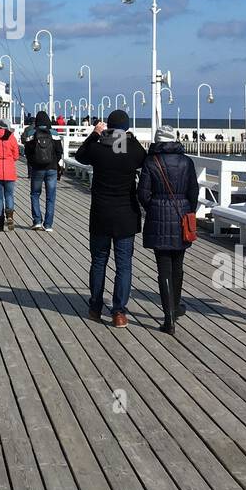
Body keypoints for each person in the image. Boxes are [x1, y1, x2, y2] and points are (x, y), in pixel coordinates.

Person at [74, 109, 145, 327]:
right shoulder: (132, 148)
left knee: (99, 262)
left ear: (108, 125)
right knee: (124, 265)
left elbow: (80, 156)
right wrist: (128, 138)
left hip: (101, 214)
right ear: (127, 128)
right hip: (126, 214)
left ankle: (95, 308)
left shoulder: (98, 147)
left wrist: (95, 134)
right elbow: (144, 160)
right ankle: (119, 313)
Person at [137, 126, 199, 335]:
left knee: (163, 267)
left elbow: (143, 193)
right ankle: (176, 305)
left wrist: (153, 207)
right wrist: (188, 209)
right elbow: (194, 191)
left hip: (158, 217)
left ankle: (169, 317)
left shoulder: (150, 161)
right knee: (178, 265)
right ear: (175, 139)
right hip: (182, 216)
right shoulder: (186, 162)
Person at [23, 109, 62, 232]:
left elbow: (27, 152)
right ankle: (48, 225)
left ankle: (37, 221)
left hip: (37, 169)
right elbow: (59, 151)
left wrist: (33, 163)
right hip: (52, 169)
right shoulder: (54, 133)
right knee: (51, 196)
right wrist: (55, 162)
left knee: (35, 194)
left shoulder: (31, 133)